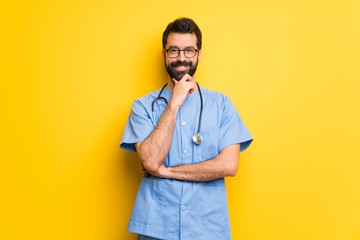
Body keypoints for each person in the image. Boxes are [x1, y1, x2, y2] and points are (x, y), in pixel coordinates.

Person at [120, 17, 253, 240]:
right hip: (156, 227)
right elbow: (151, 161)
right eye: (174, 50)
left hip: (208, 228)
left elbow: (229, 165)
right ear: (164, 55)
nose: (181, 58)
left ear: (199, 54)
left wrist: (166, 171)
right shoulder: (142, 106)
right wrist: (174, 103)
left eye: (189, 50)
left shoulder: (221, 105)